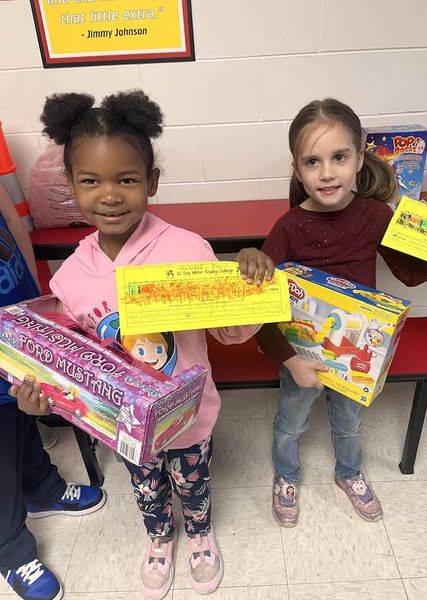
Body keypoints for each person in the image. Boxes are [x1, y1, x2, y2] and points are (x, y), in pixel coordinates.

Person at [14, 89, 273, 600]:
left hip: (190, 412)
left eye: (127, 179)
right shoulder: (69, 279)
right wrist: (41, 396)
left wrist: (249, 293)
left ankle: (199, 533)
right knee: (146, 486)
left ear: (151, 182)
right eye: (90, 181)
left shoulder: (187, 249)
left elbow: (230, 332)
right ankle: (160, 537)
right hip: (123, 423)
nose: (109, 194)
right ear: (70, 185)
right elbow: (69, 363)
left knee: (194, 481)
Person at [238, 97, 427, 527]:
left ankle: (349, 473)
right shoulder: (289, 226)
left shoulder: (376, 215)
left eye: (339, 157)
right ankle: (286, 475)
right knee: (292, 421)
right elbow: (259, 308)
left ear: (359, 157)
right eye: (312, 161)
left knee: (350, 422)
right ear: (297, 169)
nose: (327, 172)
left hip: (358, 351)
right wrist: (290, 361)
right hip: (301, 352)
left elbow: (406, 272)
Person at [0, 184, 106, 600]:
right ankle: (11, 551)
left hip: (15, 318)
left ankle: (41, 487)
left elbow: (10, 219)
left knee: (22, 412)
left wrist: (33, 296)